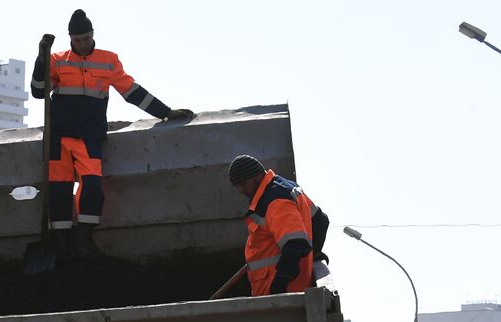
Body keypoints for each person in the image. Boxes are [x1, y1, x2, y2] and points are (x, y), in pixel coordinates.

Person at [30, 9, 193, 257]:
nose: (82, 43)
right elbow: (39, 92)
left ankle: (84, 241)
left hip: (89, 136)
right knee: (59, 188)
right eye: (77, 40)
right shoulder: (57, 60)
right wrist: (41, 60)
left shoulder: (109, 60)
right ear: (70, 39)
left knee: (92, 186)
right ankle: (61, 243)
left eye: (85, 38)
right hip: (58, 137)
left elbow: (132, 91)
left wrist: (165, 112)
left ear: (93, 34)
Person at [227, 154, 331, 297]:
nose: (241, 190)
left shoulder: (274, 200)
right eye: (237, 186)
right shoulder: (287, 187)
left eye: (243, 184)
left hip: (285, 298)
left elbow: (295, 244)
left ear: (256, 176)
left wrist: (281, 283)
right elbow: (320, 221)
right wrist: (313, 253)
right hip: (287, 295)